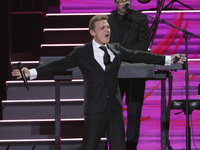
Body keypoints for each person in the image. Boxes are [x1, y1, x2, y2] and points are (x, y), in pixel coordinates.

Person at [12, 15, 186, 150]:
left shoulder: (116, 49)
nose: (107, 30)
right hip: (95, 110)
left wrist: (168, 59)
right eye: (102, 28)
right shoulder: (82, 52)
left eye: (108, 27)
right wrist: (32, 71)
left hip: (115, 109)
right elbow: (60, 63)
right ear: (93, 32)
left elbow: (139, 55)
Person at [108, 0, 150, 149]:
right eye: (120, 0)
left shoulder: (140, 19)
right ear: (115, 2)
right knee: (114, 112)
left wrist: (125, 55)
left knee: (134, 112)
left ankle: (132, 146)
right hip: (114, 74)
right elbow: (107, 44)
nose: (123, 3)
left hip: (135, 72)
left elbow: (144, 44)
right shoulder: (108, 20)